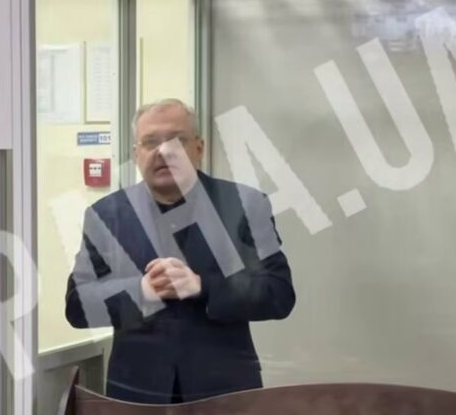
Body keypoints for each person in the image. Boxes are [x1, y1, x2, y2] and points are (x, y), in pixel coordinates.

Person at [65, 98, 296, 404]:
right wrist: (141, 290)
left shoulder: (245, 205)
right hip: (136, 396)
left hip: (225, 394)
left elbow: (279, 294)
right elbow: (77, 306)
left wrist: (203, 287)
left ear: (199, 148)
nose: (163, 152)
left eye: (177, 140)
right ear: (136, 154)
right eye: (150, 142)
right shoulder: (106, 215)